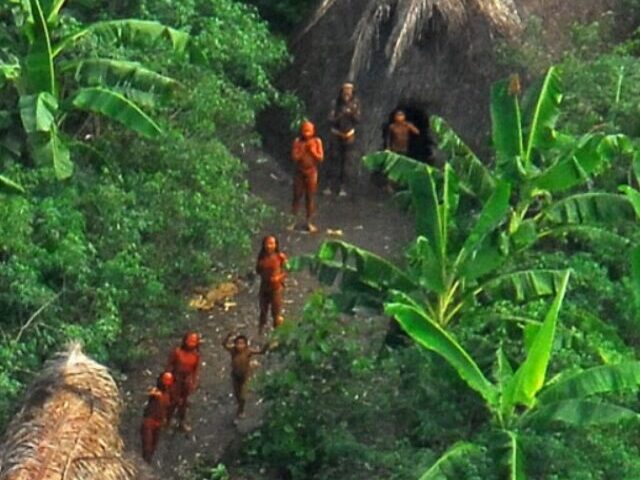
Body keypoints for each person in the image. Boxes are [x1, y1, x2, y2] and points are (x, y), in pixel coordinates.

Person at [325, 82, 361, 197]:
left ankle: (343, 187)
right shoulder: (335, 103)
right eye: (345, 89)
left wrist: (351, 114)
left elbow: (358, 120)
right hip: (336, 134)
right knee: (333, 159)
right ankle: (329, 185)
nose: (347, 92)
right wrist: (341, 115)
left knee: (346, 162)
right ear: (341, 91)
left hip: (349, 135)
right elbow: (330, 119)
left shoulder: (355, 104)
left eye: (350, 89)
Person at [222, 332, 267, 421]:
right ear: (235, 344)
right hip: (235, 376)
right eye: (238, 343)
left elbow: (261, 352)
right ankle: (240, 407)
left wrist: (267, 344)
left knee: (242, 397)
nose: (240, 346)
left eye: (242, 344)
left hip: (244, 377)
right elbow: (224, 345)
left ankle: (240, 410)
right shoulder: (233, 351)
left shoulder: (248, 351)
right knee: (237, 395)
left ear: (246, 345)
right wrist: (228, 336)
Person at [290, 120, 324, 233]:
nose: (307, 133)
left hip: (312, 172)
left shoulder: (317, 141)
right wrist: (303, 150)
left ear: (313, 131)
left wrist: (312, 150)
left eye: (309, 131)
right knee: (297, 196)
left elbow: (320, 158)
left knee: (310, 197)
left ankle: (309, 222)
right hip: (299, 172)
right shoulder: (298, 141)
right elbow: (294, 158)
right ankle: (292, 220)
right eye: (304, 131)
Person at [165, 332, 201, 432]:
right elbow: (169, 366)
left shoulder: (196, 356)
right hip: (175, 380)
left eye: (194, 341)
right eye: (189, 340)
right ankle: (167, 421)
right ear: (185, 340)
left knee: (183, 404)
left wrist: (193, 382)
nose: (191, 343)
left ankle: (181, 422)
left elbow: (195, 370)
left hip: (186, 381)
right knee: (173, 402)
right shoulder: (177, 352)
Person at [256, 235, 288, 335]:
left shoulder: (280, 257)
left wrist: (279, 277)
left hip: (276, 288)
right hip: (264, 288)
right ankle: (260, 333)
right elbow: (257, 270)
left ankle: (276, 335)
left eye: (271, 244)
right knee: (263, 312)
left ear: (276, 245)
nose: (269, 246)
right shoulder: (262, 256)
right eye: (267, 244)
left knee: (276, 314)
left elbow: (287, 270)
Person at [141, 372, 175, 463]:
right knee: (147, 445)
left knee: (153, 446)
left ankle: (147, 463)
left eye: (169, 380)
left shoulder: (168, 395)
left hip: (158, 422)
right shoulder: (156, 392)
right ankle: (144, 462)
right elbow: (150, 393)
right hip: (149, 421)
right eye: (165, 379)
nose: (166, 382)